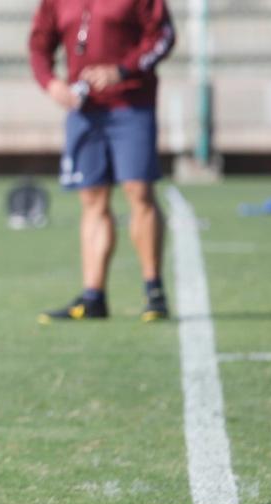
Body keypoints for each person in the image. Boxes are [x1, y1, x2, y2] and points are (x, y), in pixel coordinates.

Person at [28, 0, 176, 323]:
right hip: (84, 112)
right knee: (92, 199)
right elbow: (39, 44)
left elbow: (163, 37)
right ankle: (93, 296)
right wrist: (51, 84)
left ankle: (154, 291)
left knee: (139, 192)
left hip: (131, 106)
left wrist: (122, 70)